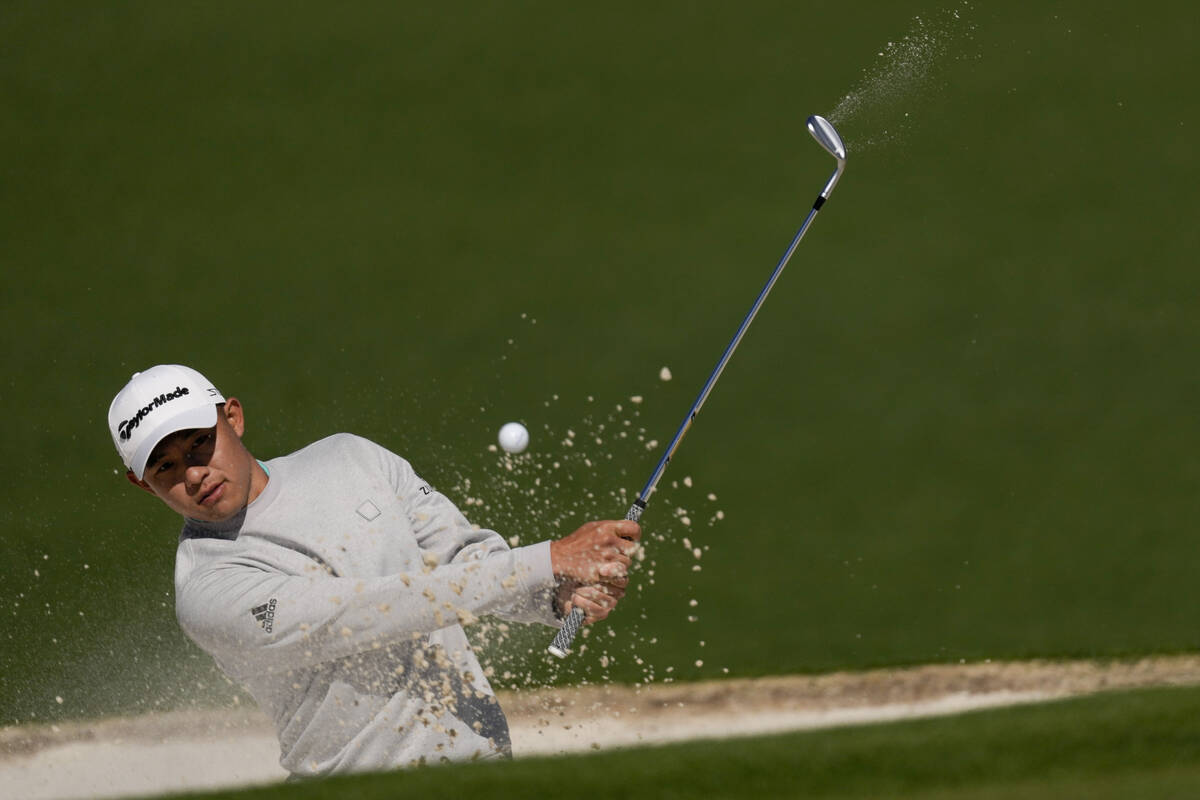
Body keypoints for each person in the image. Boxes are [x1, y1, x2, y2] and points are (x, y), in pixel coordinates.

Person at [107, 364, 640, 777]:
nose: (195, 473)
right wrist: (543, 560)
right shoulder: (208, 590)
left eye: (199, 441)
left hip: (483, 775)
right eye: (165, 467)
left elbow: (463, 562)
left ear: (234, 417)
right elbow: (363, 614)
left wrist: (552, 593)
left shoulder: (350, 458)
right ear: (141, 485)